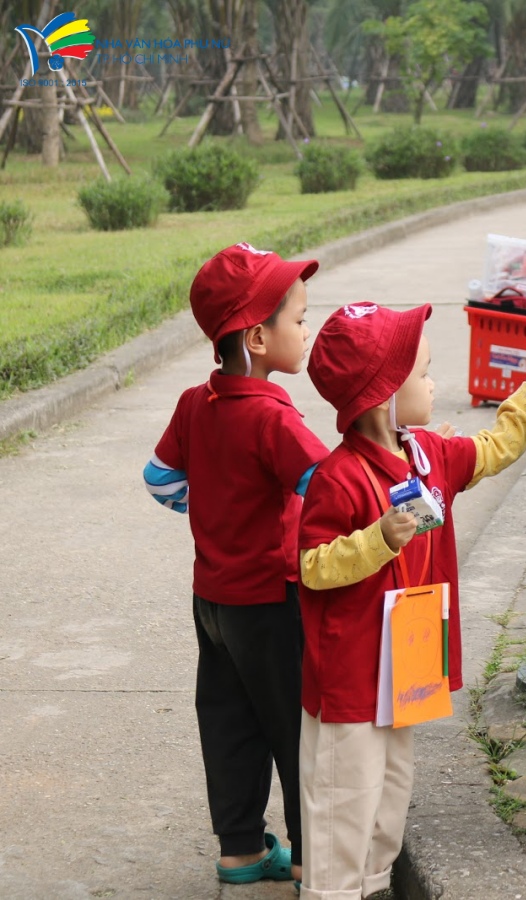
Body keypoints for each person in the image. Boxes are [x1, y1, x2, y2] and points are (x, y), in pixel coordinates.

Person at [296, 302, 526, 899]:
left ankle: (373, 887)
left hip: (405, 671)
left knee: (389, 797)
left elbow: (495, 447)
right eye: (424, 373)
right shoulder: (338, 477)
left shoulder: (428, 454)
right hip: (349, 683)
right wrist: (379, 539)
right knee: (342, 807)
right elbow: (312, 567)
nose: (435, 383)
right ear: (381, 396)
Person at [143, 242, 329, 889]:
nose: (307, 330)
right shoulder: (274, 416)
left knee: (228, 722)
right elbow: (327, 486)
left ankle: (241, 851)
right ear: (257, 336)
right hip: (271, 603)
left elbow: (159, 477)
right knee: (295, 730)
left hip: (213, 603)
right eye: (299, 319)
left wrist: (215, 505)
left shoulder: (197, 403)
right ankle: (312, 860)